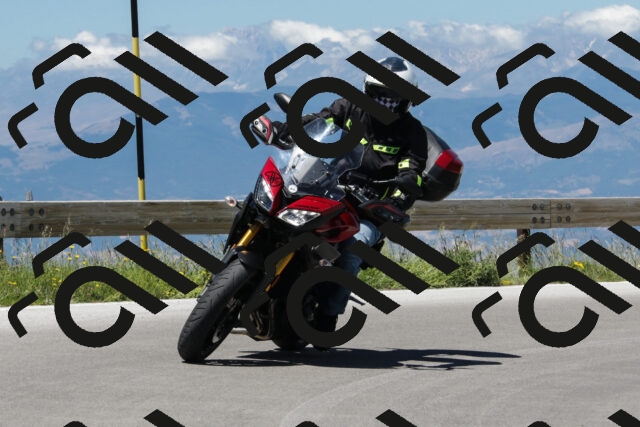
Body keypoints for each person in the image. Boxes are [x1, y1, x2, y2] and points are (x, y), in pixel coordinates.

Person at [252, 57, 429, 348]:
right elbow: (315, 124)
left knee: (353, 248)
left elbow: (413, 170)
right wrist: (282, 130)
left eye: (394, 98)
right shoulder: (348, 107)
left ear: (407, 100)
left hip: (368, 210)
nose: (386, 103)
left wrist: (399, 197)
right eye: (380, 95)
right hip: (325, 188)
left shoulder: (413, 133)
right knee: (269, 204)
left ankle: (327, 317)